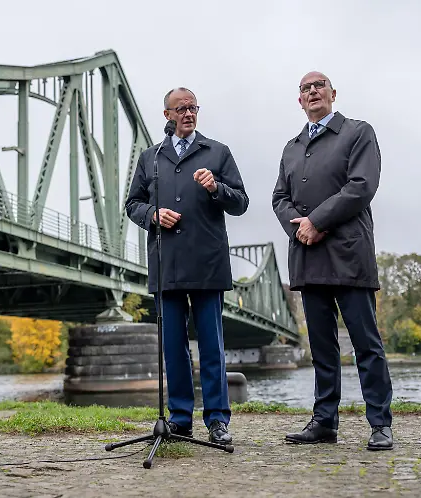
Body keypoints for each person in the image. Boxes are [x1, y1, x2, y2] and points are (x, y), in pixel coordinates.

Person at [271, 71, 394, 450]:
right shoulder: (291, 147)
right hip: (307, 258)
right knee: (323, 349)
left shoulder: (358, 132)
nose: (312, 92)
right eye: (305, 89)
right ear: (299, 101)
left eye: (318, 86)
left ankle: (380, 423)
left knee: (365, 344)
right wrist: (300, 229)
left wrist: (317, 221)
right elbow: (279, 198)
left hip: (348, 256)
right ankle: (324, 421)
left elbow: (361, 186)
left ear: (333, 93)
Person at [125, 87, 249, 445]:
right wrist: (152, 214)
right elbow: (132, 203)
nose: (188, 114)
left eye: (193, 107)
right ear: (167, 115)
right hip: (167, 265)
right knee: (173, 346)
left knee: (211, 345)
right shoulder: (150, 158)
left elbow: (240, 203)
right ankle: (179, 418)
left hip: (207, 263)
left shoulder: (217, 152)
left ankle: (217, 421)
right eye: (181, 109)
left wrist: (217, 189)